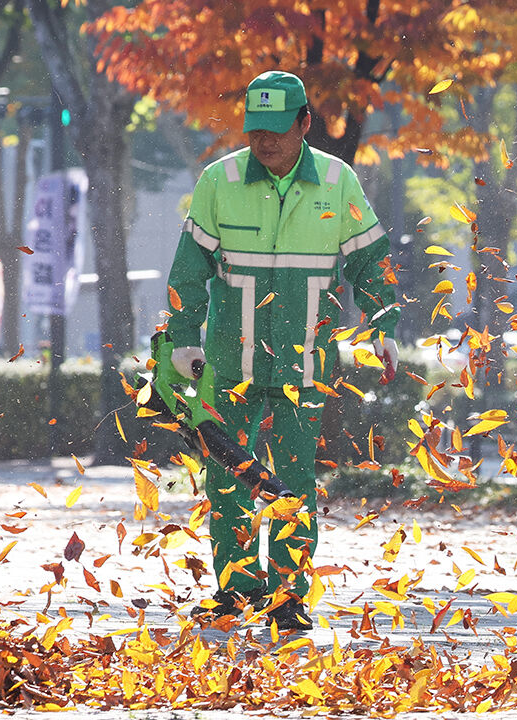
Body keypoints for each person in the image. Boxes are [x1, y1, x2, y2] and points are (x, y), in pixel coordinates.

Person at [165, 71, 400, 630]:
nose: (263, 141)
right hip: (227, 364)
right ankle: (237, 591)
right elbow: (188, 273)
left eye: (276, 130)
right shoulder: (217, 183)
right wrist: (180, 339)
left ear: (304, 125)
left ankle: (287, 596)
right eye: (254, 130)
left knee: (294, 483)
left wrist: (383, 325)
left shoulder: (339, 184)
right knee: (228, 481)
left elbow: (371, 262)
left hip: (305, 364)